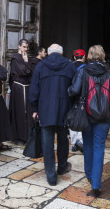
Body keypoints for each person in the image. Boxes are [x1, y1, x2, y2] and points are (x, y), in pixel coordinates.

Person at [68, 45, 110, 197]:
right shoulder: (108, 72)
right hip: (103, 116)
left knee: (88, 145)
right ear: (102, 56)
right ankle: (96, 185)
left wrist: (68, 91)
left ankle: (89, 175)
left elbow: (75, 90)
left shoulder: (83, 71)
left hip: (87, 114)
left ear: (89, 56)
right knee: (99, 147)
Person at [29, 44, 77, 186]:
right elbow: (75, 88)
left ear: (49, 54)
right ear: (61, 53)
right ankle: (62, 167)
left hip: (45, 108)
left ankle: (51, 175)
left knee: (47, 141)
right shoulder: (70, 66)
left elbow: (34, 89)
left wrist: (34, 108)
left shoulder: (41, 66)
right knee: (63, 138)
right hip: (64, 107)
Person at [9, 39, 33, 144]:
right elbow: (25, 71)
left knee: (27, 112)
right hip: (19, 87)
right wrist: (26, 62)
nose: (26, 49)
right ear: (19, 46)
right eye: (24, 47)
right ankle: (19, 137)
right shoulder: (16, 58)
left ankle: (27, 135)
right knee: (19, 112)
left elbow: (30, 73)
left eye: (27, 47)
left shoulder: (25, 57)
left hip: (26, 87)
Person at [70, 48, 87, 153]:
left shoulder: (69, 67)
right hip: (82, 97)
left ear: (75, 57)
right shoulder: (86, 68)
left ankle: (74, 143)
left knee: (72, 118)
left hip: (71, 95)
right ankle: (80, 141)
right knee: (81, 117)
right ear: (84, 57)